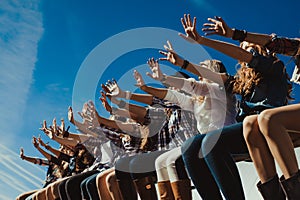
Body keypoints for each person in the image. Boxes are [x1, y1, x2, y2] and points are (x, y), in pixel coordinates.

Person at [179, 14, 292, 199]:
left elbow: (242, 55)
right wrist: (183, 64)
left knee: (210, 143)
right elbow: (215, 77)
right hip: (246, 128)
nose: (246, 52)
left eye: (250, 48)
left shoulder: (274, 66)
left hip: (265, 124)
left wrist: (203, 40)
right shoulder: (241, 81)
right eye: (244, 49)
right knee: (190, 148)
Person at [134, 52, 237, 199]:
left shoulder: (221, 91)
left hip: (222, 137)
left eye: (203, 70)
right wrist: (146, 88)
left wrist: (164, 77)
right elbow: (174, 97)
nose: (199, 74)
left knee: (179, 156)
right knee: (162, 162)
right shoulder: (197, 100)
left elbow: (194, 86)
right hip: (204, 142)